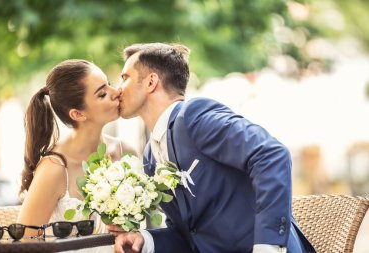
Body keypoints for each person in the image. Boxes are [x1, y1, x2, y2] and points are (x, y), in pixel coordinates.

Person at [108, 43, 316, 253]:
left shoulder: (194, 117)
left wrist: (266, 247)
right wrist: (146, 240)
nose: (117, 89)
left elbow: (271, 154)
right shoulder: (150, 157)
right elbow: (191, 235)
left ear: (151, 82)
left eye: (125, 78)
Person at [17, 59, 136, 247]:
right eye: (102, 93)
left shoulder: (127, 153)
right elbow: (26, 242)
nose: (116, 92)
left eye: (110, 85)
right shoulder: (54, 168)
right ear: (78, 114)